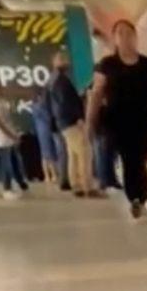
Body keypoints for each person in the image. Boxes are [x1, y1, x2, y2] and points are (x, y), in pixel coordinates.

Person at [86, 19, 147, 220]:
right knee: (129, 159)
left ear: (135, 37)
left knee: (141, 161)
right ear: (114, 39)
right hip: (117, 121)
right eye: (119, 33)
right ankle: (136, 199)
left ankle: (139, 197)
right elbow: (96, 94)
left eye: (129, 33)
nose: (125, 37)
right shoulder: (106, 65)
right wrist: (90, 120)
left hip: (145, 121)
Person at [48, 49, 99, 198]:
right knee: (85, 152)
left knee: (73, 154)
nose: (65, 61)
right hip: (70, 121)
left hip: (63, 123)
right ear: (54, 62)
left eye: (65, 58)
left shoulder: (54, 80)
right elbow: (66, 103)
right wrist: (79, 118)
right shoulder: (61, 81)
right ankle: (87, 186)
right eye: (61, 59)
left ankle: (76, 184)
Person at [0, 76, 29, 197]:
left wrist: (14, 133)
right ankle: (6, 189)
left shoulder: (1, 101)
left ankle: (20, 183)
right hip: (2, 139)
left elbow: (8, 118)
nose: (2, 88)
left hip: (9, 136)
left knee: (14, 161)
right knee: (6, 164)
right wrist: (11, 136)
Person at [31, 82, 61, 185]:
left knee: (45, 154)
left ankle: (48, 176)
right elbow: (48, 118)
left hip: (40, 131)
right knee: (50, 153)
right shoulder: (42, 106)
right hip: (46, 130)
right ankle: (53, 175)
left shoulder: (34, 106)